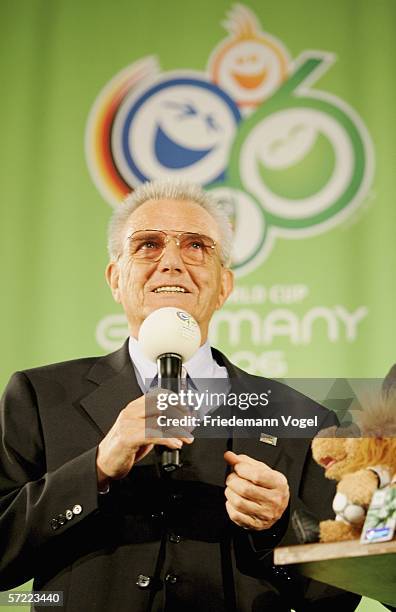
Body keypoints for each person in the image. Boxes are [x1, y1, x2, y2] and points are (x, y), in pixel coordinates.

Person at [0, 180, 360, 611]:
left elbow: (338, 597)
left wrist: (280, 525)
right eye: (148, 245)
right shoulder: (39, 397)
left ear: (224, 286)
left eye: (196, 246)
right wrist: (94, 469)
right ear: (116, 279)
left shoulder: (302, 417)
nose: (171, 262)